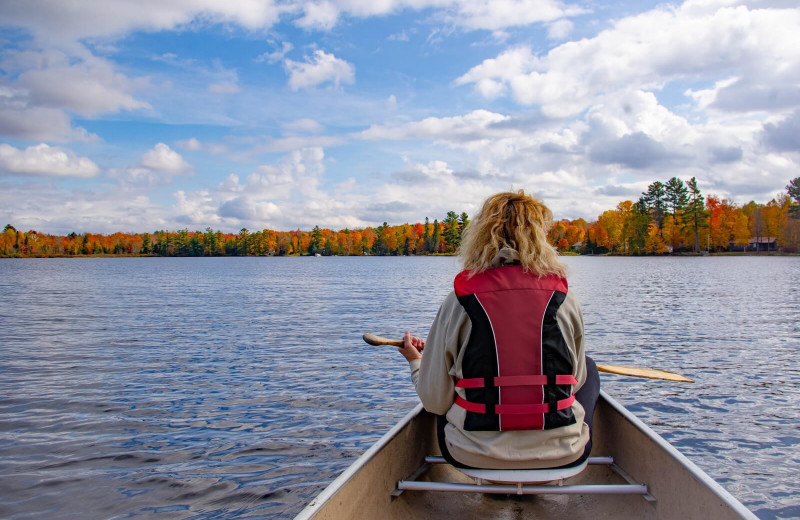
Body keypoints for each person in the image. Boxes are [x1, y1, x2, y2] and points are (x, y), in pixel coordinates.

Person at [398, 190, 600, 470]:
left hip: (471, 454)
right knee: (588, 367)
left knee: (450, 383)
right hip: (564, 453)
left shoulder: (459, 299)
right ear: (539, 238)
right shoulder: (565, 298)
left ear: (480, 236)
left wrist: (416, 362)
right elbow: (575, 382)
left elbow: (435, 401)